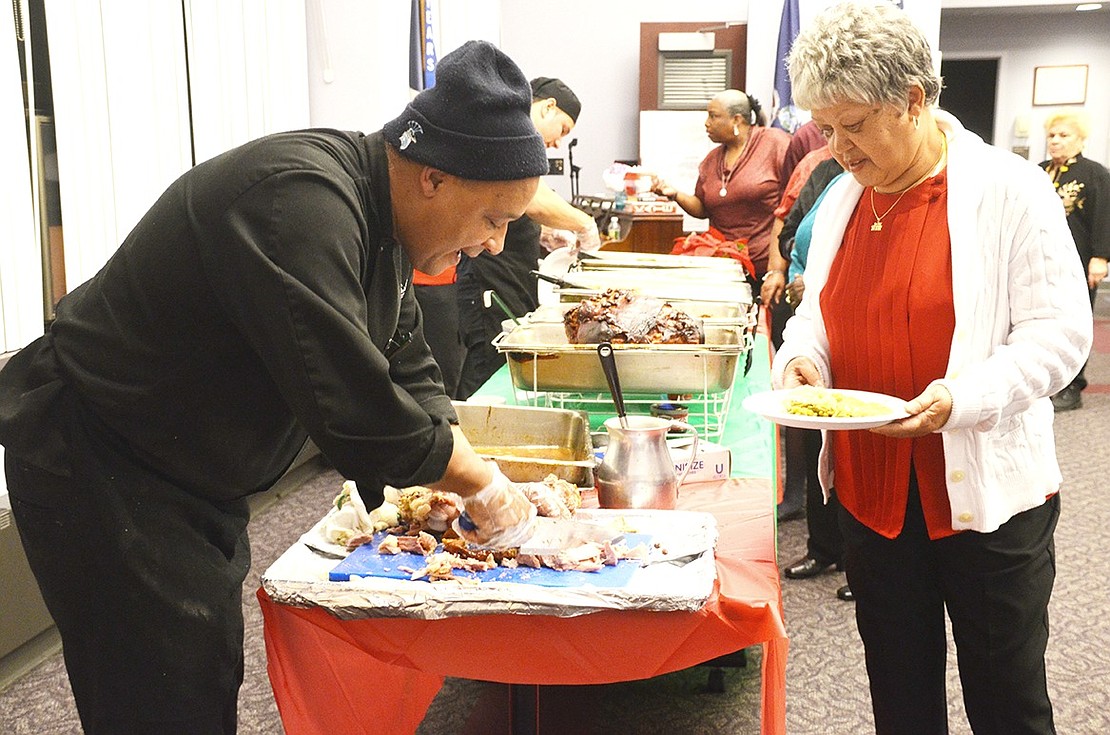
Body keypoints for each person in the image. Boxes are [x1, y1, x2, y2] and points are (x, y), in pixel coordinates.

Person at [0, 40, 554, 734]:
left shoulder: (383, 226)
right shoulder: (299, 202)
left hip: (185, 464)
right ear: (434, 179)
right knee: (160, 692)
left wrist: (452, 451)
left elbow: (406, 358)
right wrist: (484, 483)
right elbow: (360, 411)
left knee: (202, 669)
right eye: (494, 219)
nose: (497, 245)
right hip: (100, 451)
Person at [776, 2, 1092, 732]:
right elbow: (816, 314)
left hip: (983, 503)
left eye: (854, 125)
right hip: (873, 498)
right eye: (827, 128)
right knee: (901, 696)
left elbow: (1060, 335)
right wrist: (802, 360)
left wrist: (963, 398)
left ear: (914, 100)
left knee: (1006, 701)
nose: (838, 147)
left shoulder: (1008, 189)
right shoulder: (841, 197)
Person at [455, 76, 599, 400]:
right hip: (487, 279)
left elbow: (518, 205)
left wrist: (544, 233)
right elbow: (530, 198)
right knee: (487, 374)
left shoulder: (520, 142)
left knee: (506, 368)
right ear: (548, 107)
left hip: (510, 276)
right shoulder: (507, 132)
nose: (558, 143)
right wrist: (584, 224)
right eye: (562, 130)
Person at [650, 89, 791, 280]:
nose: (706, 123)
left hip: (768, 268)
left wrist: (779, 270)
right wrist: (674, 194)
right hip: (723, 268)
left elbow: (795, 197)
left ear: (737, 120)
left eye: (713, 116)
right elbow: (703, 209)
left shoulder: (774, 143)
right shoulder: (711, 160)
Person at [1038, 110, 1110, 411]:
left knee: (1074, 325)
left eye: (1063, 135)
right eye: (1052, 136)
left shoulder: (1095, 174)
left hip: (1079, 262)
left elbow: (1103, 217)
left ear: (1080, 140)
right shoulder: (1039, 171)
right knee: (1041, 324)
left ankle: (1072, 386)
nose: (1055, 141)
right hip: (1041, 261)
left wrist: (1101, 256)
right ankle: (1044, 382)